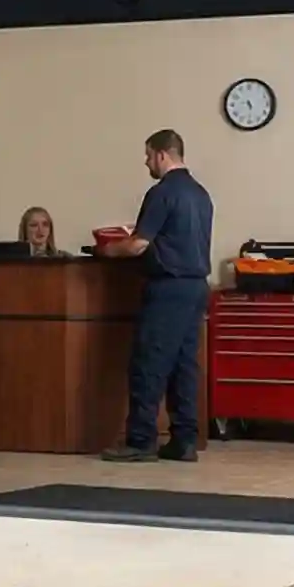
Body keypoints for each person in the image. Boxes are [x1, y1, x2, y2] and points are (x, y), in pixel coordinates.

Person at [93, 129, 214, 463]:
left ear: (162, 154)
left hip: (168, 289)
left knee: (149, 363)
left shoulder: (162, 192)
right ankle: (184, 440)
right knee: (183, 366)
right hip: (196, 287)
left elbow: (138, 244)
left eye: (148, 155)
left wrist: (108, 250)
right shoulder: (201, 195)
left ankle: (141, 440)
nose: (146, 162)